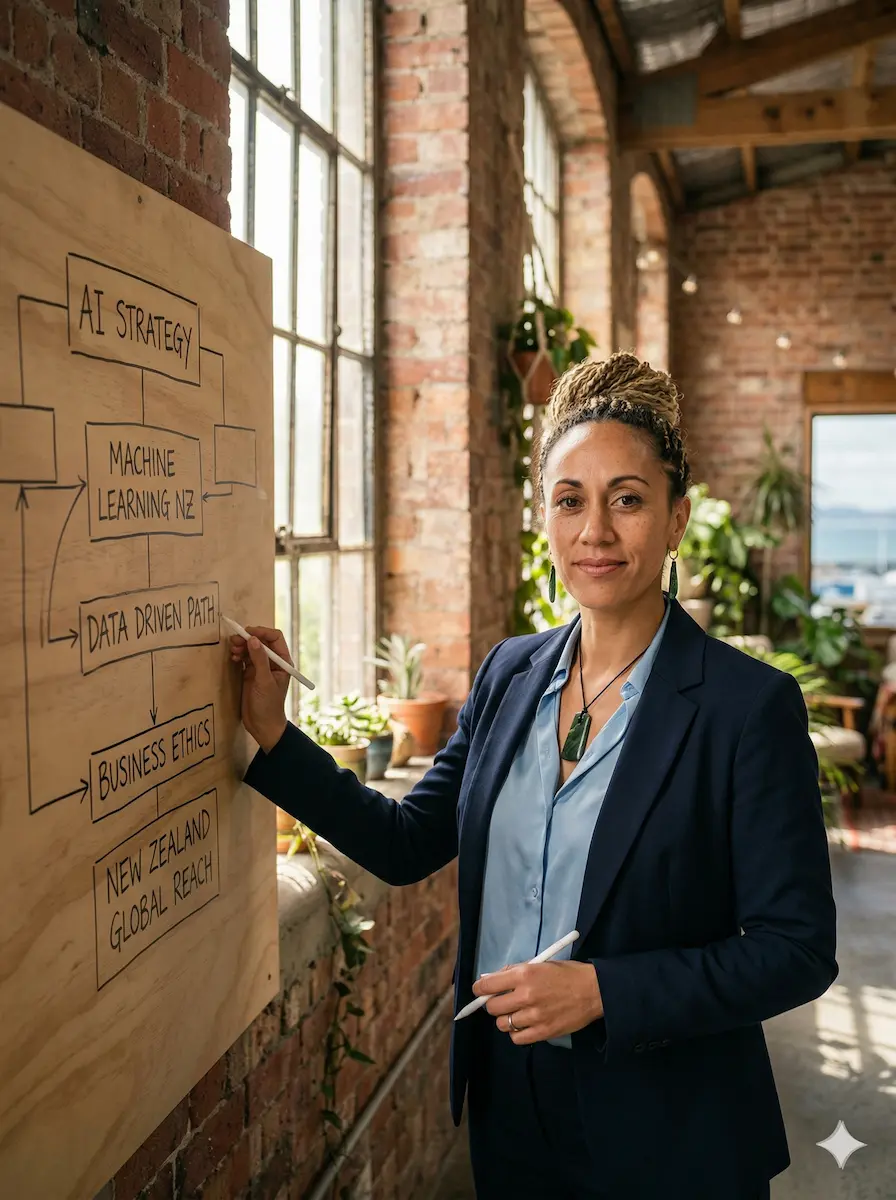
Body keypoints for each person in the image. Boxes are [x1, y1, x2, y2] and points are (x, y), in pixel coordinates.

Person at [231, 352, 838, 1200]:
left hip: (670, 1126)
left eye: (627, 499)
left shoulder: (747, 708)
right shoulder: (508, 675)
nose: (596, 531)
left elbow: (796, 952)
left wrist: (604, 992)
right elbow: (407, 842)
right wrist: (272, 733)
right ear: (544, 518)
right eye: (570, 500)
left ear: (676, 520)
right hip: (510, 1104)